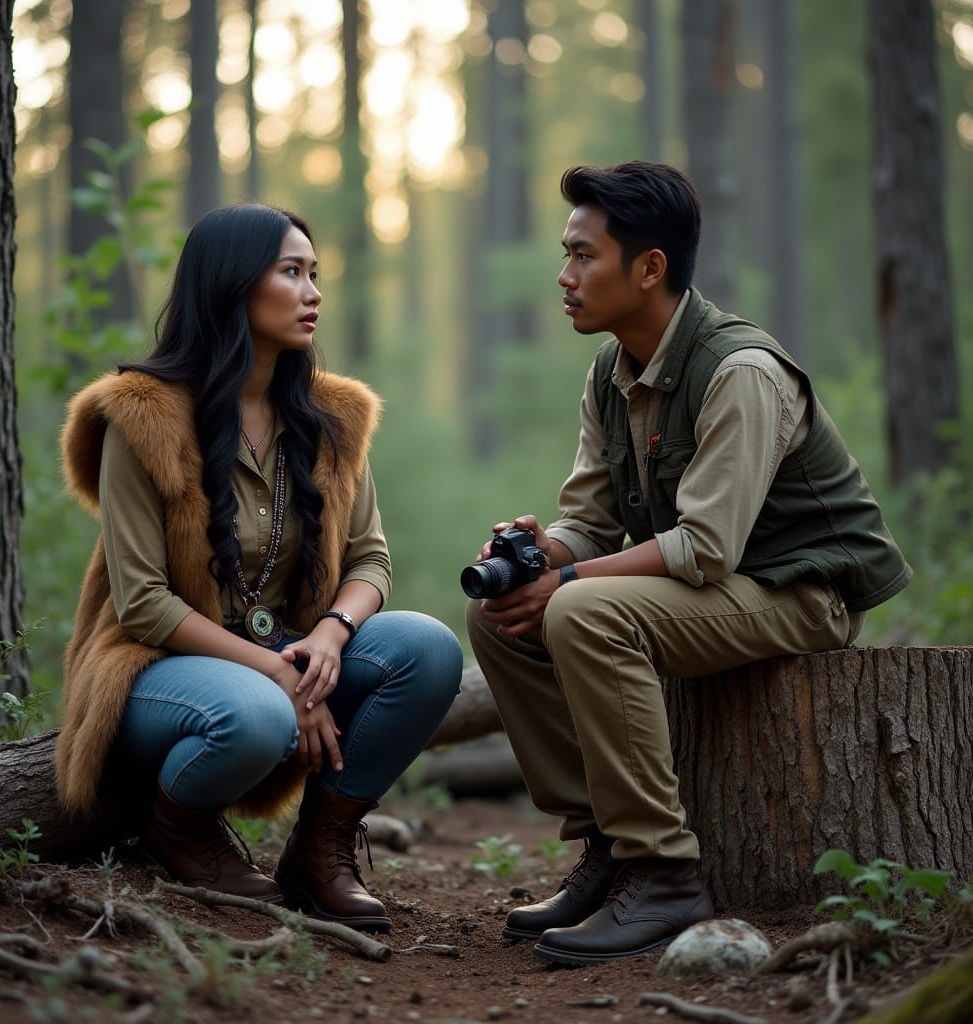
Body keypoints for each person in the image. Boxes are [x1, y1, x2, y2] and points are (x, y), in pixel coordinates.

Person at [466, 161, 912, 966]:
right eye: (564, 256)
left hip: (803, 590)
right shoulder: (612, 370)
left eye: (583, 256)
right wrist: (540, 552)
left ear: (648, 268)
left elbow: (705, 549)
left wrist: (564, 583)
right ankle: (605, 843)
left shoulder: (740, 371)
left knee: (574, 609)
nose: (564, 277)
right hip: (719, 586)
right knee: (499, 612)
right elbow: (593, 518)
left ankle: (664, 872)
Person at [56, 204, 463, 933]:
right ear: (231, 284)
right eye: (291, 272)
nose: (312, 293)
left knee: (427, 647)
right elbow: (144, 602)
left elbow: (370, 558)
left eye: (315, 274)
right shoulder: (140, 415)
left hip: (295, 648)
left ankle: (321, 848)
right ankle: (176, 829)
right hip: (156, 663)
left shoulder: (332, 414)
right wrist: (275, 674)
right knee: (255, 715)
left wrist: (331, 639)